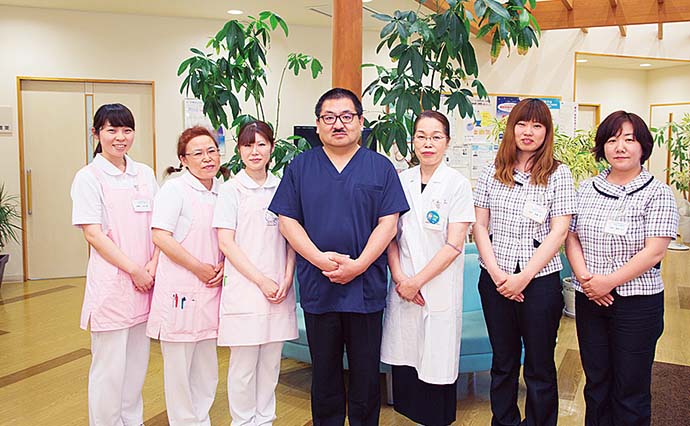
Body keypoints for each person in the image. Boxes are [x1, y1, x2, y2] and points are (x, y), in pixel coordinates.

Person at [268, 88, 409, 426]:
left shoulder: (380, 168)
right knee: (324, 374)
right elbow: (287, 221)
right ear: (318, 125)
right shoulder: (301, 167)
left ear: (360, 122)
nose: (338, 124)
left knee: (366, 373)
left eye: (347, 117)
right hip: (320, 287)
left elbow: (388, 224)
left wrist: (358, 265)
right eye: (329, 117)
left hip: (365, 289)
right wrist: (319, 259)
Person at [565, 111, 678, 426]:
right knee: (596, 383)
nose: (620, 147)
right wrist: (588, 281)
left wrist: (609, 282)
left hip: (637, 304)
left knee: (631, 388)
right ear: (602, 146)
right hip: (590, 298)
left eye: (629, 139)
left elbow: (654, 251)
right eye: (612, 140)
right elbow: (571, 237)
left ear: (643, 146)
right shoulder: (586, 188)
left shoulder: (658, 192)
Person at [473, 98, 576, 426]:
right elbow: (479, 226)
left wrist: (524, 277)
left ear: (547, 132)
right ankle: (504, 421)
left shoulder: (558, 174)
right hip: (495, 279)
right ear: (511, 128)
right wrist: (497, 274)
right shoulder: (491, 171)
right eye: (521, 124)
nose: (528, 131)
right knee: (503, 362)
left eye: (537, 125)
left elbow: (560, 231)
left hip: (540, 283)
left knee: (539, 365)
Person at [381, 110, 475, 426]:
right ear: (413, 141)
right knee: (405, 347)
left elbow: (454, 245)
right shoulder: (401, 180)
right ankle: (406, 407)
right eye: (421, 136)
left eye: (436, 137)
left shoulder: (457, 184)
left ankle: (435, 414)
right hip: (403, 282)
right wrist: (400, 278)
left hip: (437, 284)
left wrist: (416, 282)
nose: (427, 143)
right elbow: (390, 235)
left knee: (437, 352)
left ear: (447, 141)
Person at [70, 103, 159, 426]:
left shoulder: (144, 173)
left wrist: (152, 265)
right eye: (112, 130)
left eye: (127, 130)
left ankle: (132, 421)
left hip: (146, 283)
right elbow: (93, 234)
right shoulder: (88, 177)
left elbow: (160, 225)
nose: (120, 137)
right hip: (113, 286)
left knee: (136, 367)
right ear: (96, 133)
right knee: (108, 370)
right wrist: (135, 270)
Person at [213, 121, 298, 426]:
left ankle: (264, 419)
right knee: (244, 366)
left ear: (272, 148)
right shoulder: (231, 190)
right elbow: (226, 242)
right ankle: (243, 421)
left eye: (261, 144)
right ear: (239, 150)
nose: (255, 151)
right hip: (246, 289)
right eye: (248, 145)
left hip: (279, 290)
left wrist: (286, 278)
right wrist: (261, 281)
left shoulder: (283, 187)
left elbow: (292, 237)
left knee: (271, 363)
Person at [146, 126, 224, 425]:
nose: (207, 158)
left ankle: (201, 420)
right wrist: (198, 267)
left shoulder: (222, 190)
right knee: (179, 370)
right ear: (183, 159)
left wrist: (223, 266)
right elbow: (160, 236)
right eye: (198, 153)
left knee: (207, 368)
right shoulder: (175, 190)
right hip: (181, 288)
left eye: (212, 151)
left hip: (211, 288)